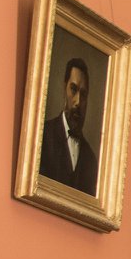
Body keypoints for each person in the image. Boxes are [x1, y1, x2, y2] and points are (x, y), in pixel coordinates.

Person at [38, 55, 98, 194]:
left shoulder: (91, 160)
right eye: (73, 89)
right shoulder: (43, 136)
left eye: (83, 94)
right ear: (64, 88)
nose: (78, 101)